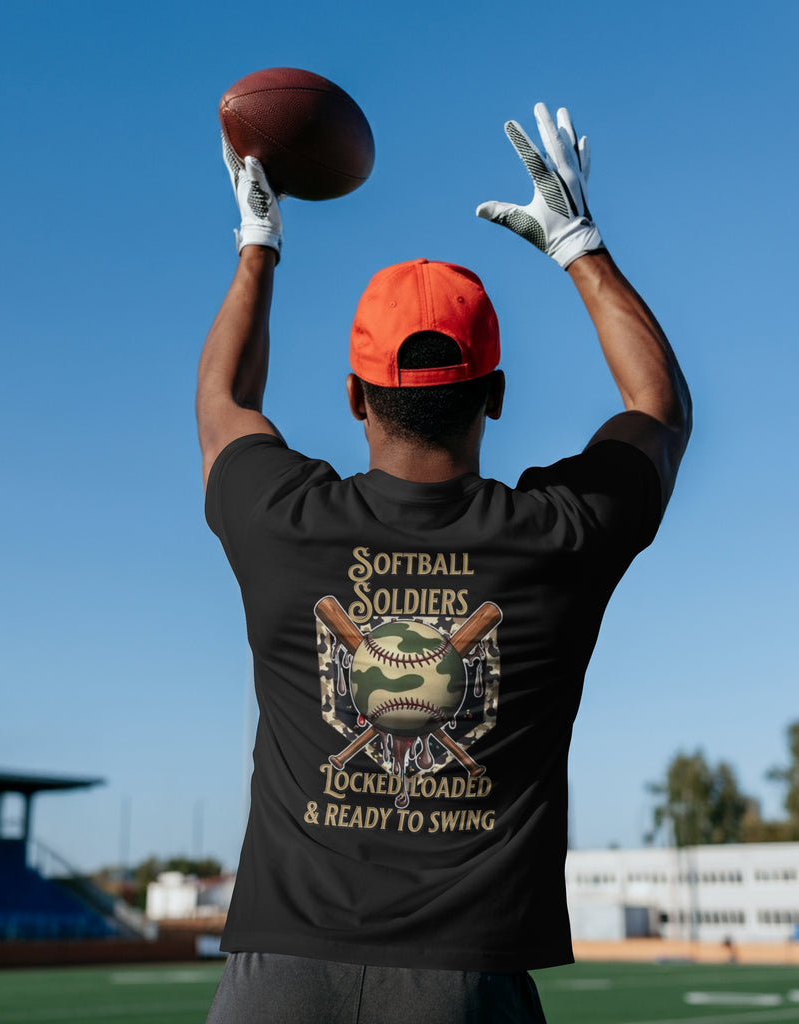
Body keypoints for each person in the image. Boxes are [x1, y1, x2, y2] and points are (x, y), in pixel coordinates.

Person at [197, 103, 691, 1023]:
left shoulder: (280, 520)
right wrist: (579, 244)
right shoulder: (557, 536)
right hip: (469, 986)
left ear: (353, 396)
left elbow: (224, 400)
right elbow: (656, 407)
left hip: (276, 983)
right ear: (495, 394)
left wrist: (258, 240)